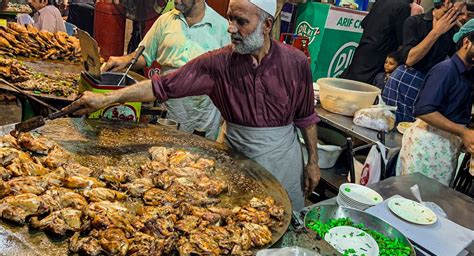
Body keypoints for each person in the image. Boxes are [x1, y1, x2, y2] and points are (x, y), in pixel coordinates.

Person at [67, 0, 321, 211]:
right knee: (240, 221)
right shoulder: (218, 64)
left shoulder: (295, 62)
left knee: (283, 220)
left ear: (266, 25)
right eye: (230, 19)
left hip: (283, 159)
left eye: (241, 22)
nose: (231, 28)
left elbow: (306, 118)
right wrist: (106, 99)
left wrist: (313, 162)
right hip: (238, 156)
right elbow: (161, 85)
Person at [101, 0, 230, 140]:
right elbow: (145, 55)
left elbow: (229, 79)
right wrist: (125, 60)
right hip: (169, 109)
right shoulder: (165, 20)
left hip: (202, 116)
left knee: (197, 157)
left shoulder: (223, 28)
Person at [399, 19, 474, 186]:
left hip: (445, 148)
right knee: (414, 202)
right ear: (467, 42)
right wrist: (462, 132)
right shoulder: (445, 70)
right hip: (427, 148)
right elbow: (424, 110)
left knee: (433, 204)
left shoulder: (468, 74)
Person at [382, 0, 465, 123]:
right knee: (387, 124)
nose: (463, 17)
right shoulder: (414, 22)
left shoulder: (454, 31)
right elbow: (410, 59)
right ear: (447, 2)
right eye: (460, 12)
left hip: (429, 85)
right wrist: (435, 33)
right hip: (404, 81)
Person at [340, 0, 412, 84]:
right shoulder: (404, 7)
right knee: (364, 86)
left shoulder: (381, 1)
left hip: (365, 45)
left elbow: (364, 23)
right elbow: (401, 37)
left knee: (350, 79)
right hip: (381, 51)